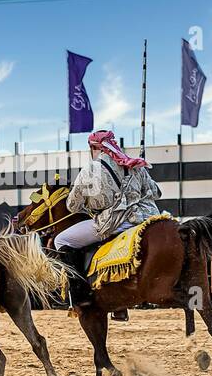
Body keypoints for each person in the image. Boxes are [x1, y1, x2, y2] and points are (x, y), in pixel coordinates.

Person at [55, 129, 162, 307]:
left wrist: (91, 205)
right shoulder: (134, 164)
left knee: (62, 239)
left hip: (114, 222)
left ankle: (80, 296)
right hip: (146, 219)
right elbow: (157, 193)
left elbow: (72, 205)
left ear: (94, 147)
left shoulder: (91, 169)